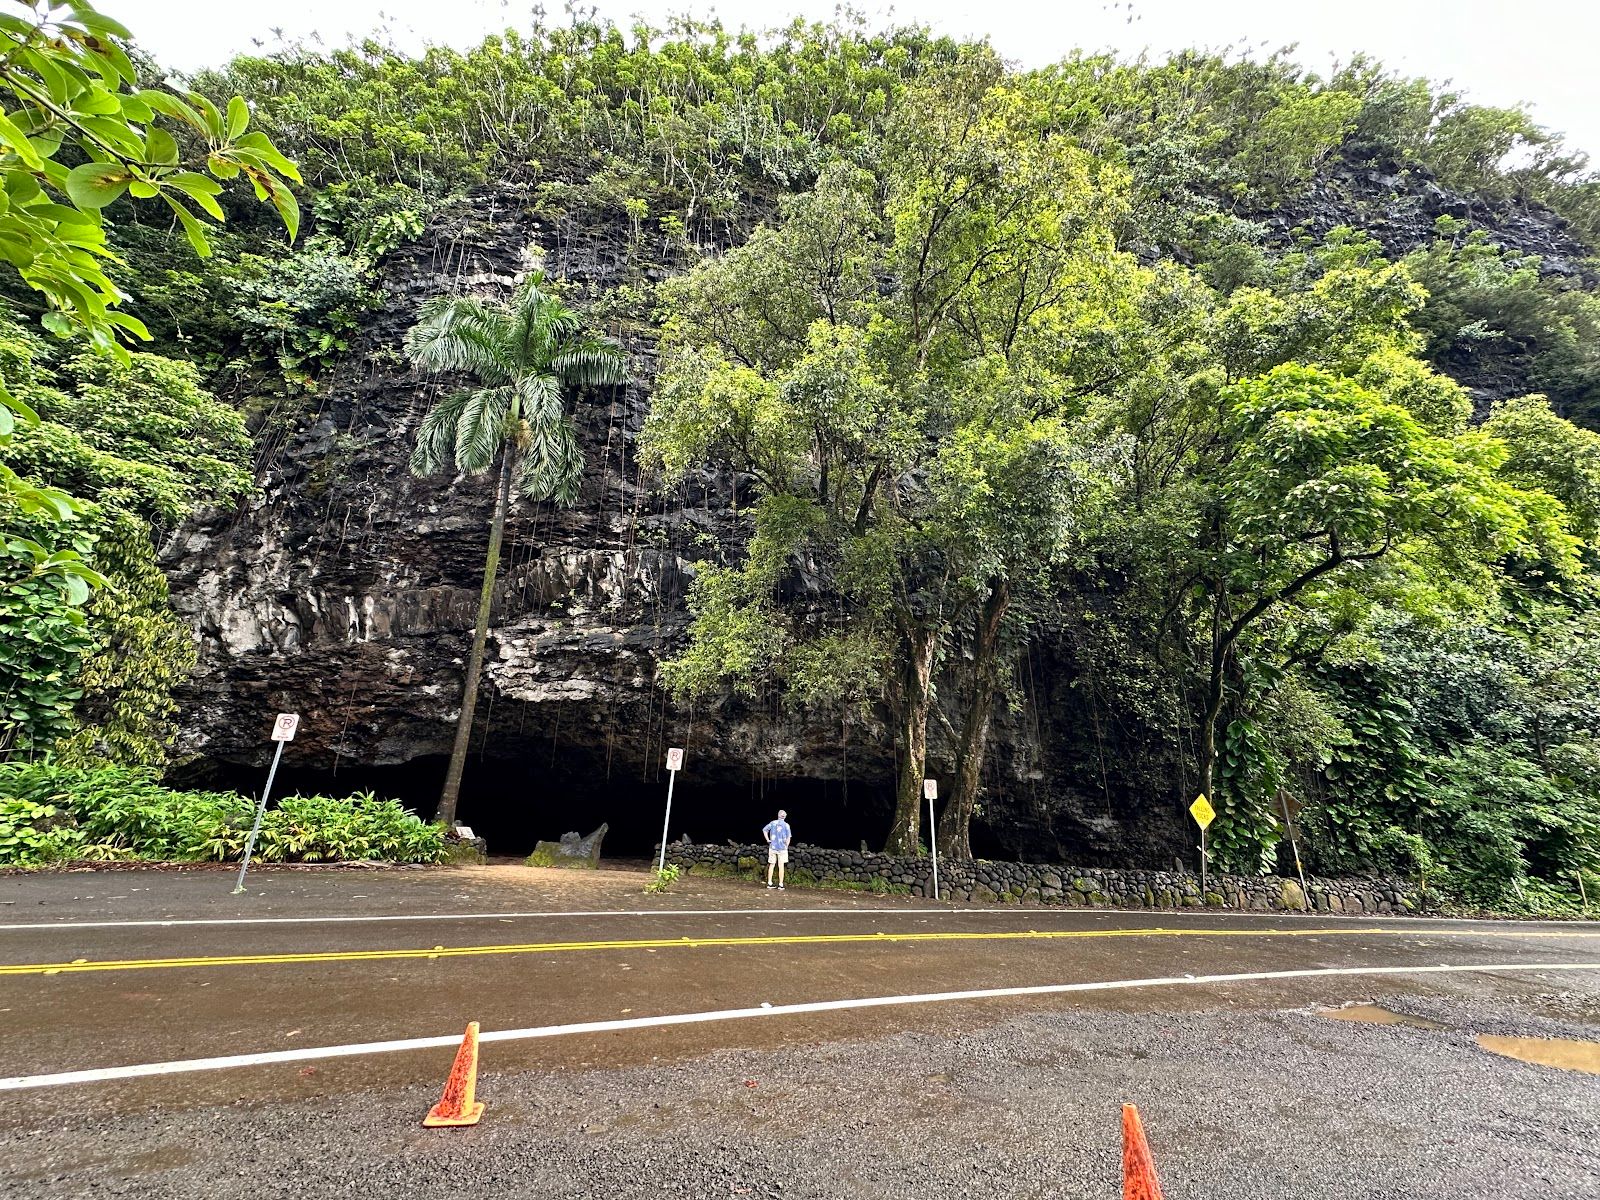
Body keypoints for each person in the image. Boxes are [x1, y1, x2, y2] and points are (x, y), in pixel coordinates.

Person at [762, 809, 792, 890]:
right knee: (781, 866)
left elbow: (764, 830)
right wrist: (786, 846)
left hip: (773, 847)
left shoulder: (773, 823)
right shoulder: (786, 825)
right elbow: (789, 837)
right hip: (782, 848)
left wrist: (768, 840)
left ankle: (769, 883)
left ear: (778, 815)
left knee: (772, 865)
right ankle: (780, 884)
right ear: (785, 816)